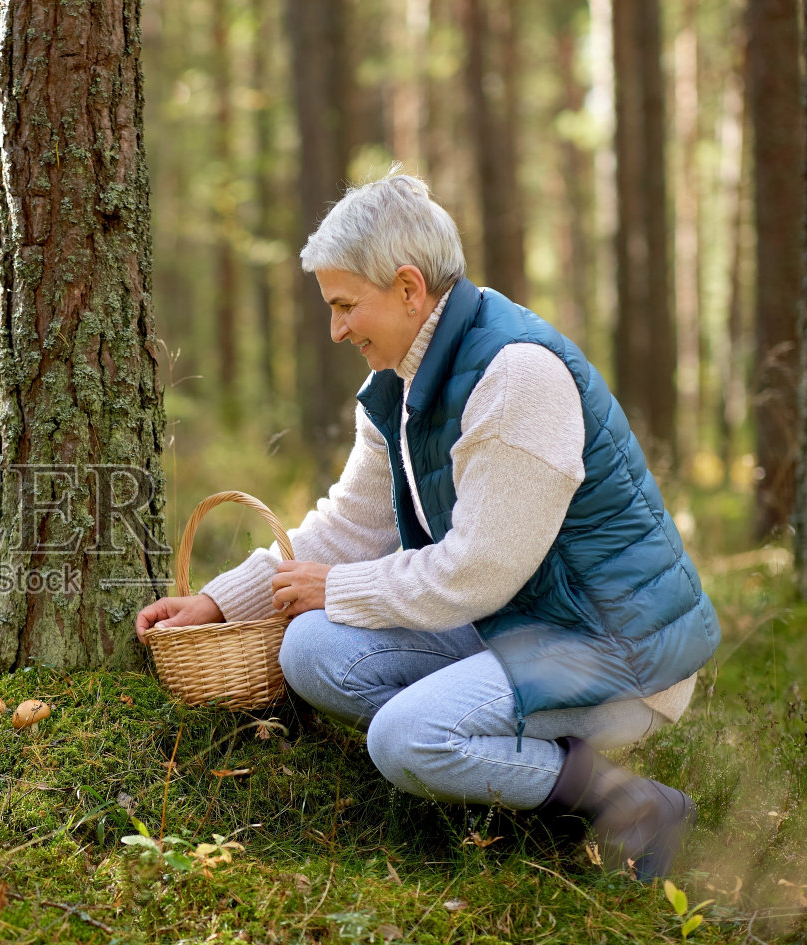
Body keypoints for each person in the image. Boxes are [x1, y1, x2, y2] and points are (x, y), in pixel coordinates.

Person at [136, 172, 719, 881]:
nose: (336, 328)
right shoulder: (398, 384)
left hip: (613, 646)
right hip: (520, 620)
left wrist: (341, 587)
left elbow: (478, 570)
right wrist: (222, 601)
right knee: (311, 648)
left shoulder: (515, 378)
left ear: (410, 289)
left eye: (346, 305)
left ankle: (626, 802)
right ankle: (504, 773)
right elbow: (351, 526)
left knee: (406, 739)